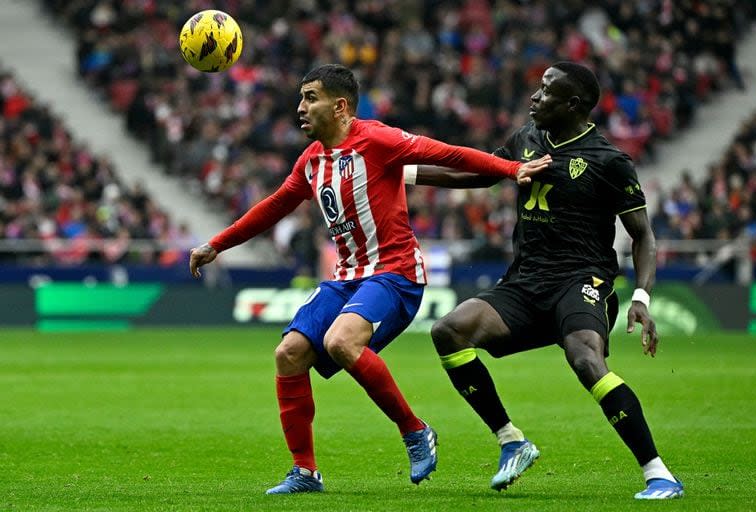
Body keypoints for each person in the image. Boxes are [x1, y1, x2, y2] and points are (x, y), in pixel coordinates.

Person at [188, 64, 551, 495]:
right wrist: (218, 244)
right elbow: (274, 206)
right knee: (288, 353)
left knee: (341, 342)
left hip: (395, 274)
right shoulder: (311, 160)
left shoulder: (378, 140)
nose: (300, 108)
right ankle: (305, 472)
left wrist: (511, 170)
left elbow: (447, 153)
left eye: (310, 98)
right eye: (301, 98)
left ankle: (415, 432)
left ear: (340, 107)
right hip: (346, 278)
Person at [407, 61, 683, 500]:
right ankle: (511, 440)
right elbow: (481, 173)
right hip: (525, 282)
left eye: (546, 91)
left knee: (585, 360)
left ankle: (659, 473)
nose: (534, 97)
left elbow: (643, 235)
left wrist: (642, 296)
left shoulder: (608, 161)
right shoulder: (526, 139)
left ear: (573, 104)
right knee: (450, 330)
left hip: (581, 279)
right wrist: (404, 173)